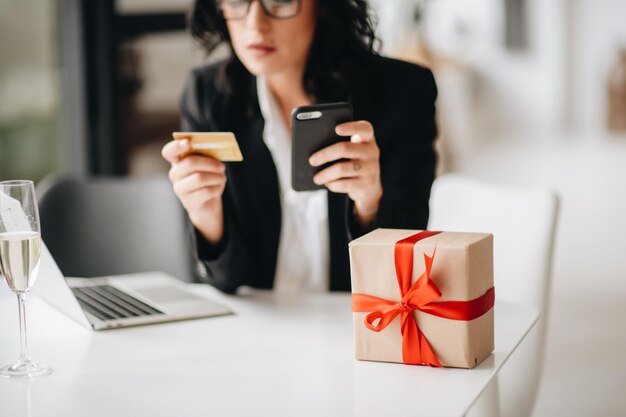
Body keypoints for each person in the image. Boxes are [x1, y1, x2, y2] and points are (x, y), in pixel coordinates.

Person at [162, 0, 437, 294]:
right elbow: (225, 282)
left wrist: (369, 204)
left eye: (279, 2)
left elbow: (402, 279)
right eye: (238, 1)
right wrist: (206, 217)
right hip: (256, 326)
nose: (256, 24)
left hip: (354, 325)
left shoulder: (403, 92)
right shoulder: (207, 95)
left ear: (322, 6)